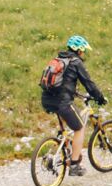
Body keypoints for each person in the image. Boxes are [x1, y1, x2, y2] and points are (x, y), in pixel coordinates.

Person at [40, 35, 108, 175]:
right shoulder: (76, 62)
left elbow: (63, 83)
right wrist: (99, 98)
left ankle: (67, 149)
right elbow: (88, 83)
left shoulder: (59, 59)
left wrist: (74, 92)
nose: (84, 53)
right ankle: (75, 165)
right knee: (79, 128)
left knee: (69, 126)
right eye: (84, 51)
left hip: (47, 99)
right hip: (62, 102)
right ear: (80, 50)